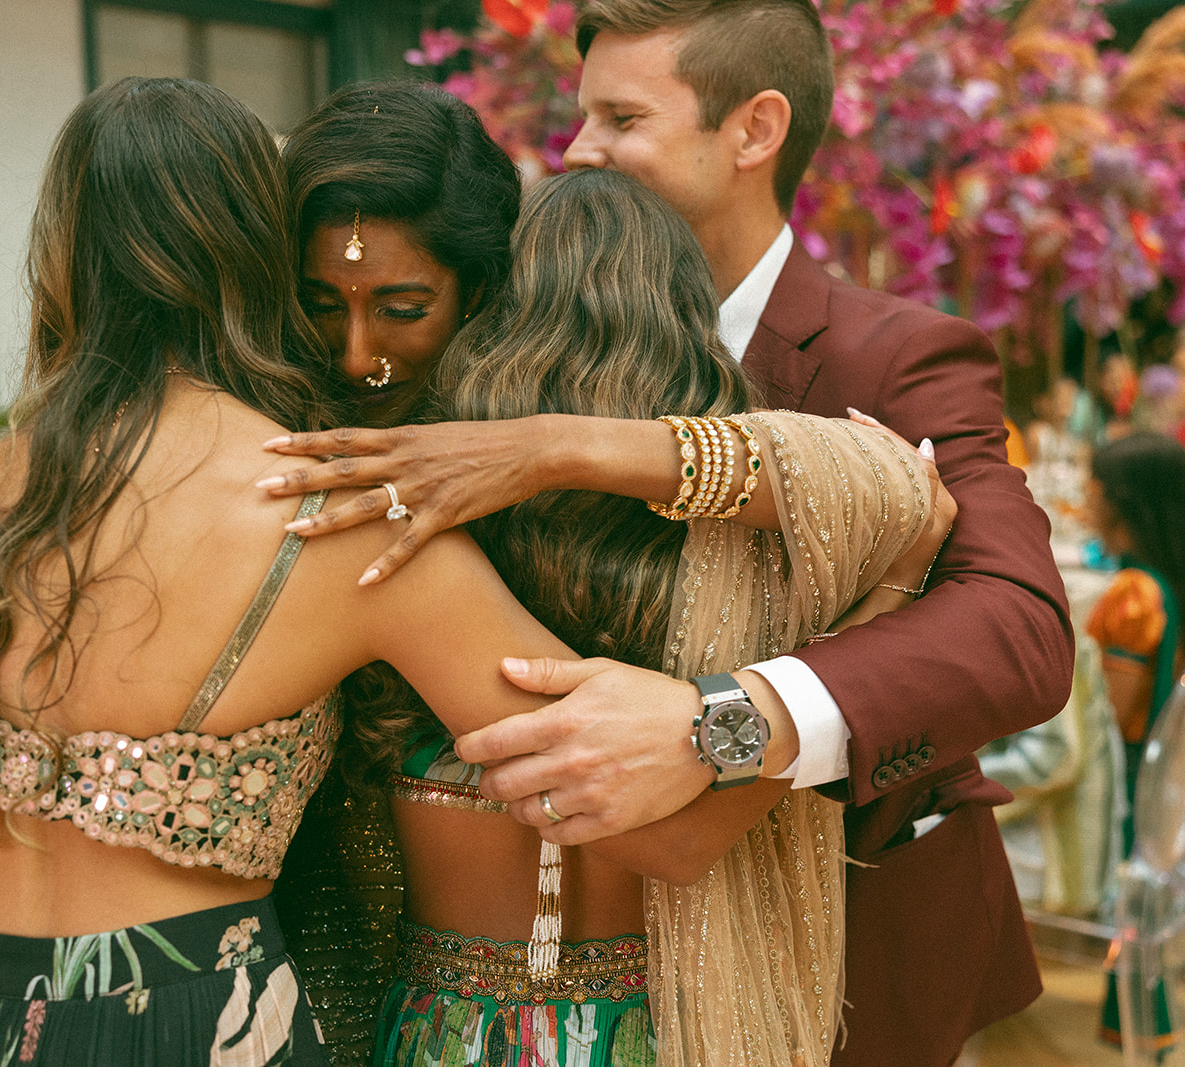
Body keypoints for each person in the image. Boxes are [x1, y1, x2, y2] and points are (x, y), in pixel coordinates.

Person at [254, 2, 1073, 1064]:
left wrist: (721, 721)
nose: (575, 150)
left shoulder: (897, 358)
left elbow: (1018, 630)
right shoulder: (495, 317)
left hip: (849, 961)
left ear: (752, 130)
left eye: (619, 117)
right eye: (579, 115)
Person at [0, 75, 607, 1065]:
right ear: (262, 254)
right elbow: (593, 758)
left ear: (61, 257)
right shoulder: (333, 508)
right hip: (181, 1005)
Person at [1083, 433, 1185, 1051]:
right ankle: (1143, 1025)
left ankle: (1145, 1029)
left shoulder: (1133, 595)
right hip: (1160, 759)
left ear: (1122, 503)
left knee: (1133, 900)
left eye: (1095, 492)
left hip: (1128, 763)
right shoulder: (1161, 580)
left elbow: (1110, 710)